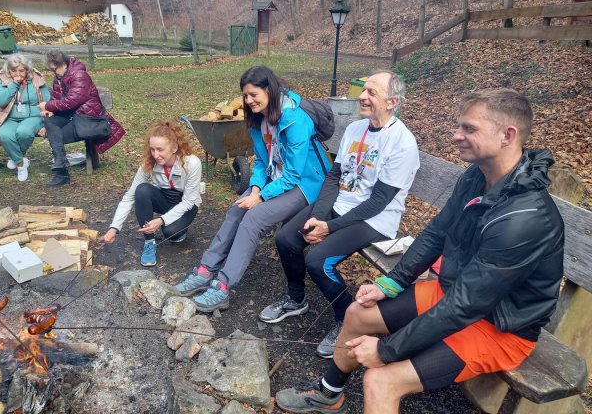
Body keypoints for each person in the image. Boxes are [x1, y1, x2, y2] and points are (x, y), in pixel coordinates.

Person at [276, 88, 565, 414]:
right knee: (357, 313)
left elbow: (464, 308)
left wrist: (385, 351)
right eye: (458, 126)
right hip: (455, 293)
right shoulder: (477, 176)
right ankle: (329, 395)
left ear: (507, 135)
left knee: (379, 381)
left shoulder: (524, 218)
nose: (456, 136)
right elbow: (437, 233)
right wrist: (392, 283)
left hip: (499, 327)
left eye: (469, 129)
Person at [259, 71, 420, 359]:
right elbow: (334, 177)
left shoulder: (402, 143)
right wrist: (318, 217)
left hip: (375, 219)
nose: (362, 96)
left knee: (318, 261)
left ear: (392, 101)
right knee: (286, 239)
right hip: (341, 206)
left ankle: (347, 318)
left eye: (372, 92)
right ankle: (296, 300)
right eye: (364, 90)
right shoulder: (355, 129)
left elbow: (379, 202)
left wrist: (329, 228)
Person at [175, 66, 330, 312]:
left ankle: (224, 286)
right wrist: (255, 188)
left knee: (254, 218)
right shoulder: (258, 120)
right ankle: (206, 270)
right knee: (237, 210)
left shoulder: (295, 119)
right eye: (245, 96)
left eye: (253, 95)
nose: (248, 101)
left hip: (304, 185)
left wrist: (260, 197)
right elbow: (260, 161)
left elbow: (293, 174)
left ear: (269, 90)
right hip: (274, 178)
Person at [101, 120, 201, 266]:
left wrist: (161, 221)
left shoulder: (192, 163)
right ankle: (149, 242)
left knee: (171, 233)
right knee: (142, 190)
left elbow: (188, 201)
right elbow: (129, 196)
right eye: (152, 149)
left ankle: (180, 228)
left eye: (160, 149)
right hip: (164, 198)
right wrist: (114, 227)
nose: (155, 154)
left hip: (186, 203)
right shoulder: (149, 163)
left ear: (174, 147)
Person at [39, 50, 125, 187]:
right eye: (51, 70)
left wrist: (47, 105)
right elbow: (56, 97)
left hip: (87, 118)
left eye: (54, 69)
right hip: (71, 116)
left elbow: (71, 101)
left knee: (54, 134)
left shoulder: (79, 75)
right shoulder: (59, 77)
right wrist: (50, 110)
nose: (53, 73)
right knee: (50, 122)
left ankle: (61, 171)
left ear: (64, 64)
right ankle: (61, 166)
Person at [0, 54, 50, 182]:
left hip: (33, 116)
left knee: (24, 132)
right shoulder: (5, 81)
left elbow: (49, 102)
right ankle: (21, 163)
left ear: (27, 70)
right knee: (5, 135)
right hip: (11, 117)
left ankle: (15, 159)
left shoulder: (37, 79)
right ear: (9, 71)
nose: (17, 73)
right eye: (14, 70)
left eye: (21, 70)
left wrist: (47, 124)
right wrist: (13, 85)